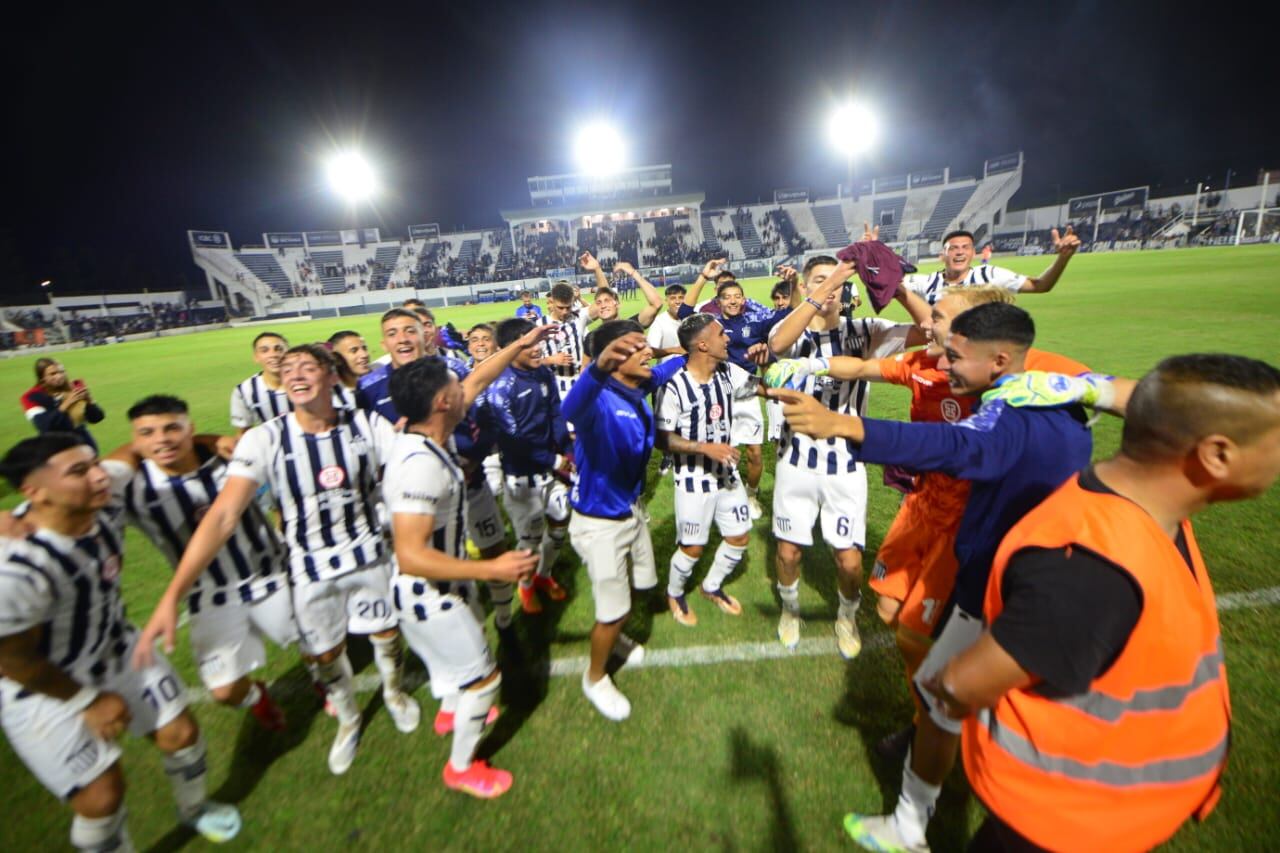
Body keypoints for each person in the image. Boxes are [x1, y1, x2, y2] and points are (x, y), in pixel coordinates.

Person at [769, 303, 1115, 853]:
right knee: (929, 673)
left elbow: (961, 447)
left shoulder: (1030, 405)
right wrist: (1103, 394)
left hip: (1002, 574)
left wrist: (844, 425)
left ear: (998, 354)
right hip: (969, 540)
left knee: (975, 704)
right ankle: (913, 813)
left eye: (952, 345)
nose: (938, 347)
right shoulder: (1035, 391)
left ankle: (950, 795)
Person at [935, 354, 1280, 851]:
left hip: (1091, 818)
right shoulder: (1091, 569)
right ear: (1217, 455)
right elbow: (962, 683)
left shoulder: (1136, 509)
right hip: (1064, 827)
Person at [135, 344, 420, 776]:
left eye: (308, 366)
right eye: (288, 368)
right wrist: (173, 594)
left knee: (385, 636)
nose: (296, 374)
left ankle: (395, 693)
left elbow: (408, 468)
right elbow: (224, 514)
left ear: (329, 375)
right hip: (306, 567)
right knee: (324, 657)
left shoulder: (364, 423)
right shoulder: (264, 438)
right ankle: (348, 718)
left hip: (368, 557)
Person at [0, 434, 241, 849]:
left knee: (181, 734)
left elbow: (133, 449)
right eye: (79, 471)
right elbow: (12, 659)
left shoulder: (103, 497)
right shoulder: (15, 566)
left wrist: (209, 440)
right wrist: (87, 702)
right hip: (42, 686)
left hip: (118, 647)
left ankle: (194, 808)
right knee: (101, 798)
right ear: (33, 491)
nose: (99, 476)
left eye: (94, 463)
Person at [383, 357, 538, 799]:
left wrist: (520, 345)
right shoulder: (420, 463)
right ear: (441, 401)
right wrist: (491, 568)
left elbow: (477, 379)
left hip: (436, 589)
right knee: (486, 681)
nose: (464, 388)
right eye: (456, 385)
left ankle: (449, 712)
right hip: (429, 594)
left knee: (454, 670)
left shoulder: (428, 433)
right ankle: (461, 767)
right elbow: (411, 555)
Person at [766, 257, 925, 657]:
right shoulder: (789, 331)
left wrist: (896, 285)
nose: (831, 287)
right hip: (795, 460)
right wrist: (830, 280)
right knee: (788, 551)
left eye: (836, 281)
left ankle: (847, 616)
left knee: (850, 561)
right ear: (806, 286)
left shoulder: (863, 331)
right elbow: (777, 346)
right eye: (819, 280)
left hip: (847, 460)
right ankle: (790, 609)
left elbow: (932, 330)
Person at [109, 395, 293, 729]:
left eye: (171, 429)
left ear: (189, 429)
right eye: (147, 433)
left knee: (321, 646)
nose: (162, 439)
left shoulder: (231, 460)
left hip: (275, 574)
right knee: (224, 692)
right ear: (135, 442)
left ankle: (329, 685)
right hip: (210, 593)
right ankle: (257, 697)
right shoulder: (133, 490)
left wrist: (212, 440)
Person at [562, 320, 684, 720]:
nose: (649, 352)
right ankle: (595, 677)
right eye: (638, 348)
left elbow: (667, 368)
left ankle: (616, 640)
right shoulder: (596, 399)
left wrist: (696, 354)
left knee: (640, 587)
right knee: (612, 610)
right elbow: (570, 408)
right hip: (600, 525)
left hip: (630, 511)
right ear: (613, 359)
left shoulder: (637, 385)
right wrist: (596, 368)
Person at [655, 314, 755, 626]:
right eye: (721, 334)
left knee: (739, 536)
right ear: (702, 344)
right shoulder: (673, 387)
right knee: (693, 547)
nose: (728, 338)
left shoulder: (727, 371)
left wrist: (776, 370)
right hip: (693, 480)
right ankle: (674, 592)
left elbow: (761, 388)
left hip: (726, 475)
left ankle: (711, 586)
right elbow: (661, 439)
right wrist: (704, 447)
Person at [477, 319, 574, 614]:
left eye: (538, 342)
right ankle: (526, 584)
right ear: (510, 348)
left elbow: (556, 414)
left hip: (550, 469)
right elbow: (513, 439)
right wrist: (554, 460)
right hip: (521, 477)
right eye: (529, 343)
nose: (537, 349)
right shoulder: (500, 387)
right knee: (529, 539)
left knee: (559, 524)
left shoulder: (543, 372)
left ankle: (543, 576)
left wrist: (569, 452)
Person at [904, 227, 1080, 305]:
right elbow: (882, 282)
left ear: (973, 253)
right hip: (940, 363)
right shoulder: (925, 282)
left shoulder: (990, 275)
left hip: (981, 364)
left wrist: (1063, 258)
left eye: (966, 248)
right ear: (943, 255)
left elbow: (1041, 285)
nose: (960, 252)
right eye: (953, 248)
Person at [21, 358, 104, 451]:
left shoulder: (74, 386)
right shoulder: (31, 397)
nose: (59, 376)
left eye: (62, 372)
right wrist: (66, 404)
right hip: (56, 447)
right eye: (53, 374)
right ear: (42, 377)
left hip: (84, 442)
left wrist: (89, 401)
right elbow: (44, 426)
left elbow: (97, 418)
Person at [645, 282, 688, 362]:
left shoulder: (691, 318)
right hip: (669, 372)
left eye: (681, 297)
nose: (677, 301)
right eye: (673, 298)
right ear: (666, 301)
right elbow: (650, 351)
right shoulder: (659, 322)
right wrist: (675, 350)